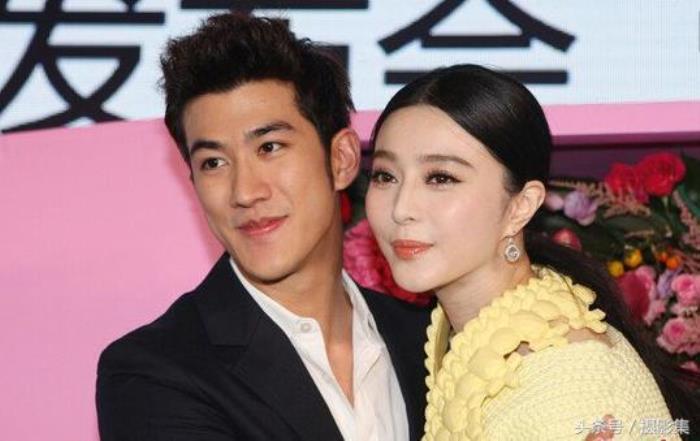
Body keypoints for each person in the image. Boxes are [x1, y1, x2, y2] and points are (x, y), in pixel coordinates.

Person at [95, 12, 433, 441]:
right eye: (213, 163)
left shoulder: (431, 340)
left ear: (341, 159)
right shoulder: (153, 373)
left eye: (270, 147)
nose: (245, 192)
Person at [364, 64, 699, 440]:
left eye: (440, 178)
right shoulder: (464, 329)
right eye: (385, 176)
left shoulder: (569, 382)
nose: (401, 208)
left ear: (521, 206)